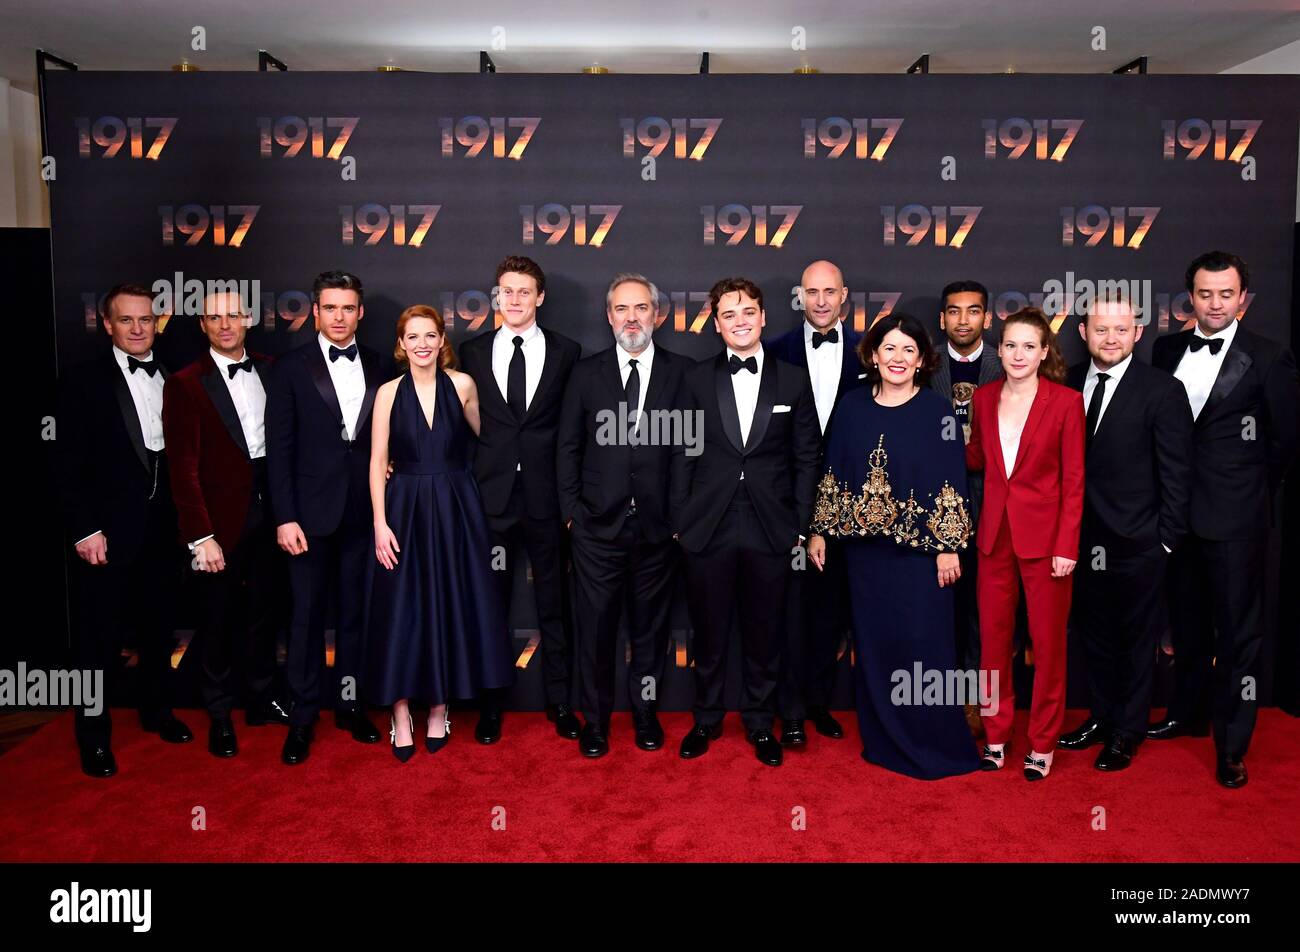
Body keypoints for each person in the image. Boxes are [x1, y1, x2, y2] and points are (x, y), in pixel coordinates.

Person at [1149, 251, 1300, 788]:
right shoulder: (1166, 349)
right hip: (1173, 516)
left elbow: (1283, 443)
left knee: (1237, 636)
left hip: (1236, 520)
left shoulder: (1268, 357)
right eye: (1205, 293)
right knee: (1185, 625)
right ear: (1190, 296)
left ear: (1243, 299)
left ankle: (1232, 744)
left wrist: (1246, 492)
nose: (1215, 304)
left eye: (1225, 294)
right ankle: (1187, 714)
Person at [809, 313, 979, 780]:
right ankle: (885, 739)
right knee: (877, 646)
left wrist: (948, 546)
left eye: (908, 349)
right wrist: (821, 530)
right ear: (873, 355)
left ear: (923, 358)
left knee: (925, 647)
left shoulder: (938, 411)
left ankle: (934, 743)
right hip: (867, 557)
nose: (898, 358)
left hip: (923, 559)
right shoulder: (851, 407)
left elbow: (953, 479)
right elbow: (832, 471)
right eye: (889, 348)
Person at [671, 277, 821, 767]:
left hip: (771, 526)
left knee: (764, 631)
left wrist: (800, 523)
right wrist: (680, 520)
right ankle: (707, 718)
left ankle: (760, 722)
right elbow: (681, 454)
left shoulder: (794, 380)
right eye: (729, 314)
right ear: (716, 324)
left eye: (748, 312)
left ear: (763, 317)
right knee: (708, 632)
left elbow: (807, 457)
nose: (740, 321)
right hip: (707, 525)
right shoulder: (694, 379)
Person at [364, 305, 514, 762]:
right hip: (403, 506)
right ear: (402, 343)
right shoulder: (388, 393)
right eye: (413, 337)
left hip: (455, 505)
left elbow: (489, 441)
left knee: (450, 601)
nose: (422, 344)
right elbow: (376, 461)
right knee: (402, 605)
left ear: (441, 339)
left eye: (430, 335)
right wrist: (379, 523)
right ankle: (401, 710)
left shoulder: (462, 385)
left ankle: (440, 708)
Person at [55, 284, 193, 778]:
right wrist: (84, 529)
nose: (138, 329)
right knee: (98, 640)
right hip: (107, 532)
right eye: (127, 320)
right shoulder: (82, 381)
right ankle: (93, 737)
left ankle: (157, 712)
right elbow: (64, 464)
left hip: (164, 528)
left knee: (159, 629)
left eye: (145, 320)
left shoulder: (176, 374)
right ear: (107, 324)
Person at [1058, 293, 1193, 771]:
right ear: (1083, 333)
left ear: (1137, 333)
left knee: (1137, 641)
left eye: (1120, 330)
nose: (1109, 338)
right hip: (1079, 542)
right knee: (1093, 636)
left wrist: (1165, 540)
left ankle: (1127, 730)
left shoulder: (1162, 390)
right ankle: (1101, 715)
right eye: (1100, 329)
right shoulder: (1068, 383)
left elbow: (1177, 472)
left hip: (1139, 544)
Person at [557, 274, 688, 757]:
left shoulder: (681, 372)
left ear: (657, 314)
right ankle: (595, 722)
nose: (631, 318)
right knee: (595, 633)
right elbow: (567, 448)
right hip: (595, 528)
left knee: (651, 633)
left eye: (640, 308)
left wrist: (677, 519)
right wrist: (572, 513)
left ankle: (645, 713)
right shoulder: (585, 373)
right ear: (608, 316)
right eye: (621, 309)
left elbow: (687, 450)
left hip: (657, 530)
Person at [457, 256, 582, 744]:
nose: (514, 300)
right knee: (491, 606)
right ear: (497, 296)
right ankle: (491, 707)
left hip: (546, 499)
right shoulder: (469, 352)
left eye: (524, 291)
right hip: (489, 501)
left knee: (554, 604)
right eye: (506, 291)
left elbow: (573, 430)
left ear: (540, 298)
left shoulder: (568, 352)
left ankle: (561, 703)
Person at [266, 270, 387, 765]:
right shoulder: (291, 367)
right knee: (306, 619)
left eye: (348, 307)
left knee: (356, 618)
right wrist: (285, 516)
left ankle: (351, 705)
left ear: (360, 312)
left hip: (364, 513)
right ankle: (302, 718)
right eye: (330, 308)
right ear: (315, 312)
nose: (339, 317)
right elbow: (279, 449)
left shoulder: (382, 365)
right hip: (308, 518)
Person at [163, 290, 290, 759]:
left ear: (249, 318)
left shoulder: (272, 368)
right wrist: (201, 537)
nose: (224, 324)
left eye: (233, 315)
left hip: (272, 511)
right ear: (202, 324)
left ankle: (260, 698)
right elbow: (183, 468)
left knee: (264, 613)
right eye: (214, 317)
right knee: (216, 619)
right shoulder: (186, 383)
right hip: (218, 520)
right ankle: (219, 713)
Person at [966, 307, 1084, 780]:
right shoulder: (984, 396)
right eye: (1010, 345)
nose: (1018, 354)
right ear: (1000, 349)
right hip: (993, 537)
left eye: (1028, 346)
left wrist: (1068, 545)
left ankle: (1042, 741)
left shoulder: (1065, 402)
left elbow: (1074, 481)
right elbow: (975, 456)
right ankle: (996, 735)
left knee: (1049, 645)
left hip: (1047, 542)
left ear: (1044, 353)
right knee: (993, 644)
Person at [765, 259, 864, 746]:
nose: (821, 300)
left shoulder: (873, 353)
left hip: (853, 506)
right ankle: (791, 710)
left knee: (832, 613)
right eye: (812, 292)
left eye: (829, 291)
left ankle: (820, 702)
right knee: (790, 612)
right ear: (799, 295)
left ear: (844, 294)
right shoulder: (773, 350)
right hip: (787, 503)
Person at [929, 280, 1004, 736]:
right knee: (941, 602)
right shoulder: (924, 362)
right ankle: (939, 696)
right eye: (954, 312)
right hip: (934, 498)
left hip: (993, 496)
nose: (963, 320)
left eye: (973, 311)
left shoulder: (1007, 361)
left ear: (986, 317)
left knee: (985, 604)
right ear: (942, 319)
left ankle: (979, 699)